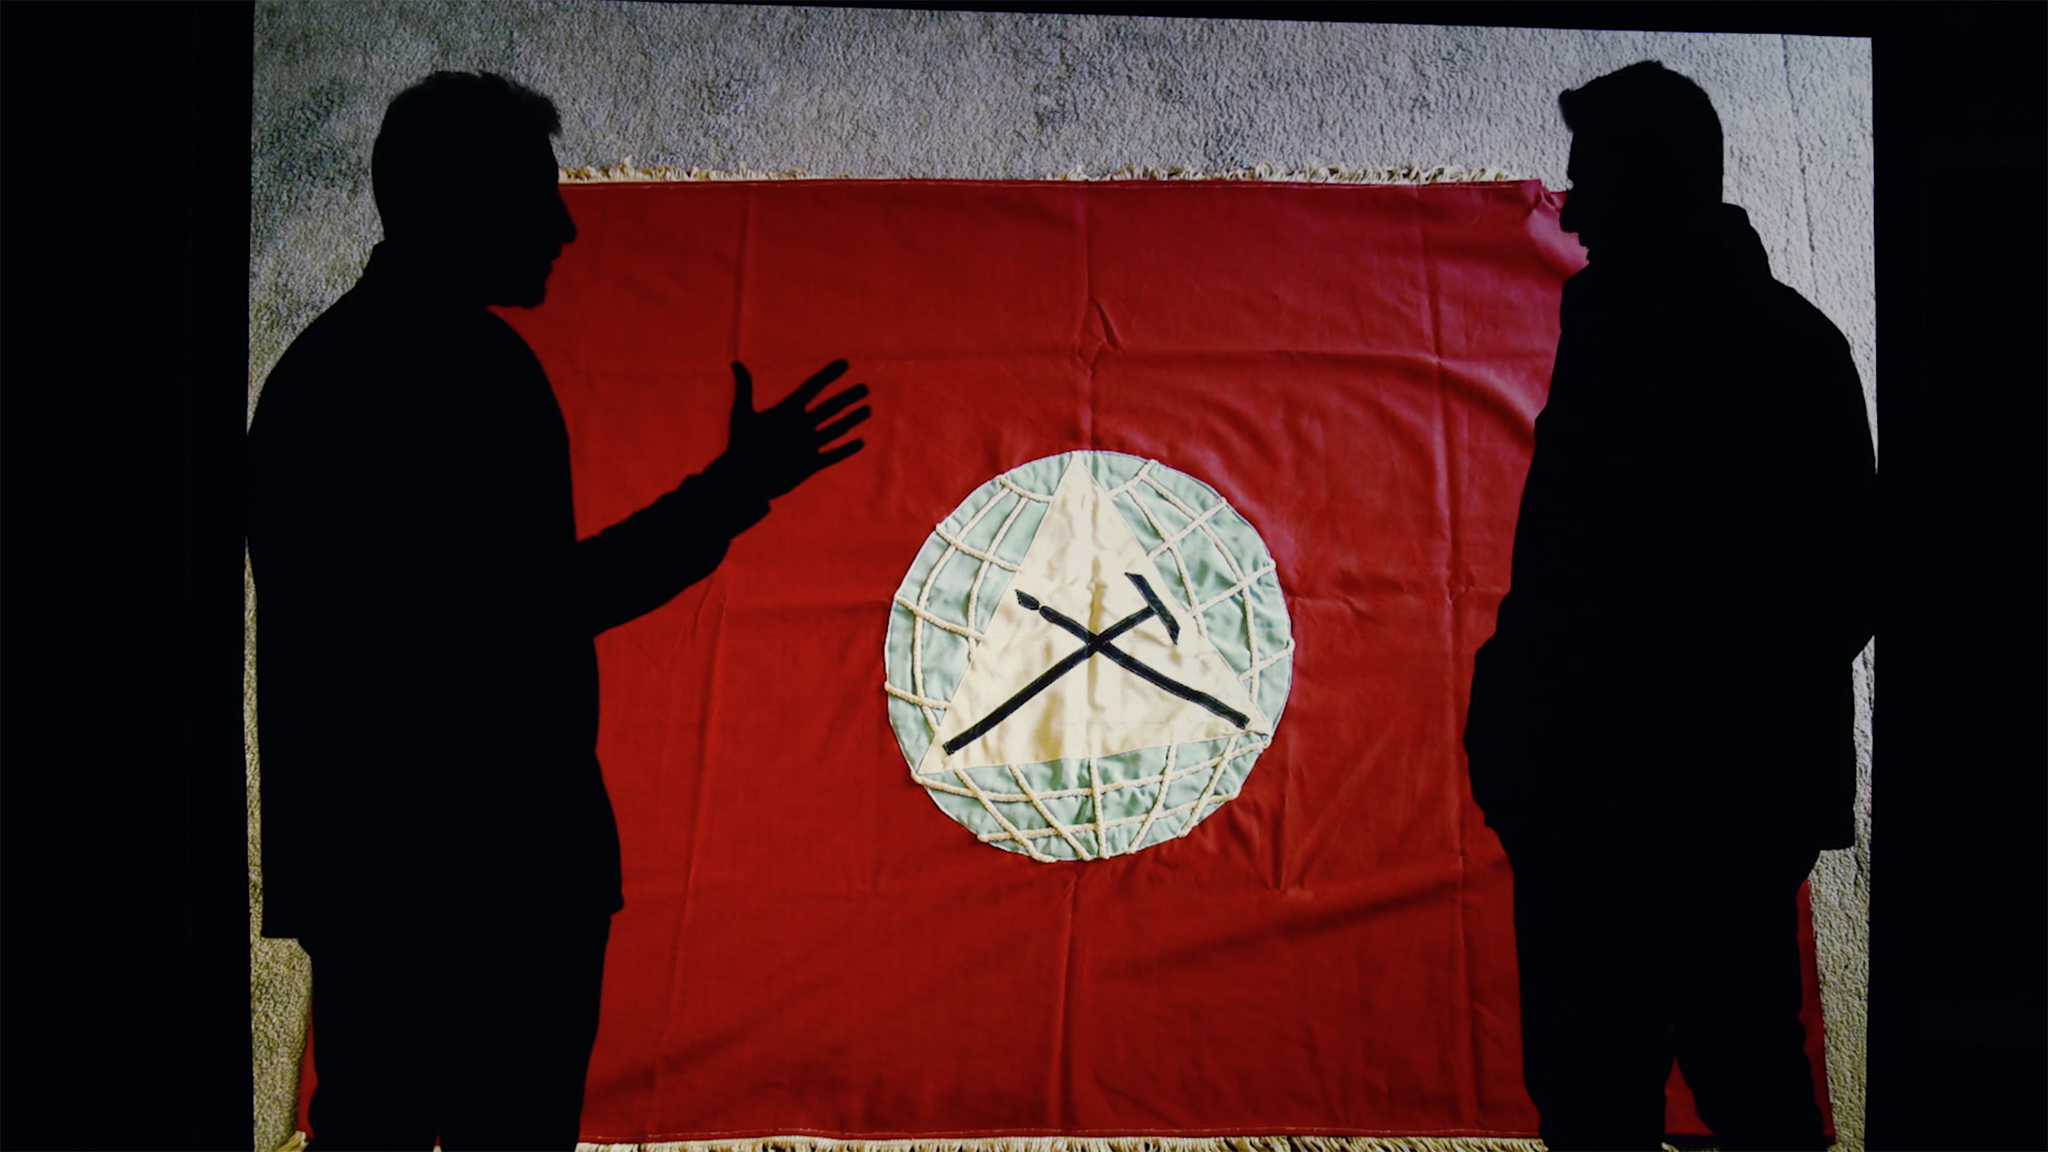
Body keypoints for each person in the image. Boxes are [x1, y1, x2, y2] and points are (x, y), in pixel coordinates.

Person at [248, 72, 870, 1151]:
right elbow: (530, 613)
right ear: (465, 204)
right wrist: (732, 491)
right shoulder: (466, 375)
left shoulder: (325, 371)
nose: (566, 226)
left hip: (380, 871)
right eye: (536, 197)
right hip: (498, 868)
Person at [1464, 62, 1876, 1151]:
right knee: (1720, 1083)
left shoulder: (1712, 347)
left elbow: (1835, 585)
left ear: (1651, 188)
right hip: (1668, 803)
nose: (1573, 212)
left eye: (1592, 182)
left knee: (1667, 1091)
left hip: (1650, 803)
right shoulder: (1771, 343)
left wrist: (1570, 730)